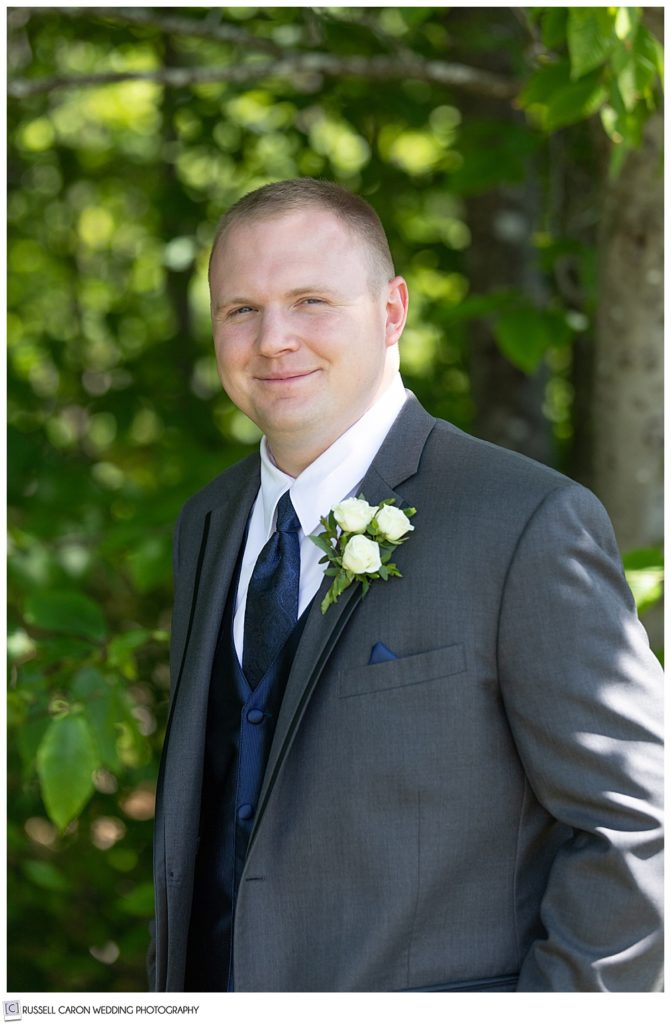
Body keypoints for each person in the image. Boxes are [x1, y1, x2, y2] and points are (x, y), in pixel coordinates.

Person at [149, 178, 663, 993]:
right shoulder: (206, 524)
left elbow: (636, 826)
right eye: (240, 309)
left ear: (392, 311)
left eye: (310, 300)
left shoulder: (524, 521)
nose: (273, 339)